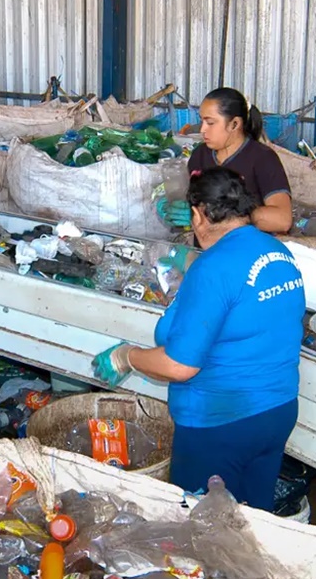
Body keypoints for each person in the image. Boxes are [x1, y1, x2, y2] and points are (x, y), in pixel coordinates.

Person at [93, 167, 305, 510]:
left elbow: (180, 365)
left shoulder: (214, 270)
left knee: (202, 533)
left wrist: (127, 356)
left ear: (198, 214)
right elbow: (246, 299)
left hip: (220, 423)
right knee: (254, 523)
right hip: (276, 412)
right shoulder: (279, 252)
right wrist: (193, 261)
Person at [156, 88, 293, 234]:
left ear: (234, 124)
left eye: (210, 123)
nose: (202, 129)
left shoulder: (263, 158)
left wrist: (220, 215)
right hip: (206, 249)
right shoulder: (200, 155)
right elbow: (193, 200)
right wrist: (177, 208)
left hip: (245, 250)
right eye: (202, 121)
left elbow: (282, 220)